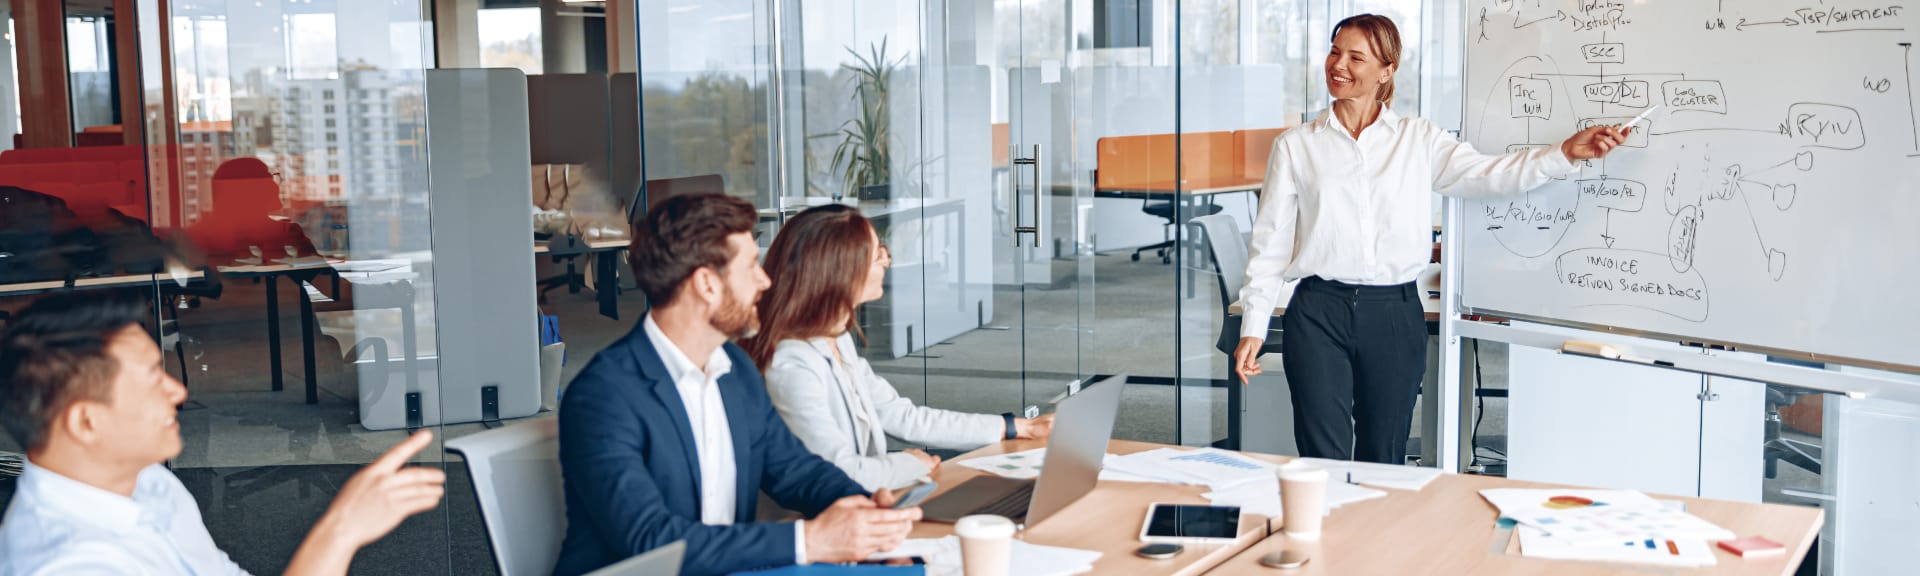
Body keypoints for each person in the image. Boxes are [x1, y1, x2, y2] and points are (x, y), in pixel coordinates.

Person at [1231, 14, 1630, 464]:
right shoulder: (1295, 146)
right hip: (1318, 312)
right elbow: (1270, 244)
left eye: (1355, 57)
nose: (1338, 64)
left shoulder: (1418, 140)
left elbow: (1489, 174)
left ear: (1386, 70)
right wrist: (1253, 327)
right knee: (1321, 455)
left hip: (1394, 313)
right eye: (1335, 51)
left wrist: (1564, 154)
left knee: (1384, 456)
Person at [553, 193, 922, 576]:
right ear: (707, 284)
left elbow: (796, 470)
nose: (765, 280)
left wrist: (867, 516)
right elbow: (651, 539)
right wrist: (810, 540)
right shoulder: (604, 396)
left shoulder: (735, 370)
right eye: (750, 267)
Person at [0, 292, 446, 575]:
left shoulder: (147, 481)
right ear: (86, 422)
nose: (178, 391)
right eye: (153, 379)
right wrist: (340, 531)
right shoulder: (71, 563)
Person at [742, 205, 1056, 491]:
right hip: (822, 521)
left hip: (866, 505)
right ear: (840, 270)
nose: (887, 262)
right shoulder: (791, 364)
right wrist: (910, 464)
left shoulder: (834, 338)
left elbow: (902, 416)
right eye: (878, 255)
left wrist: (1017, 427)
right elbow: (838, 473)